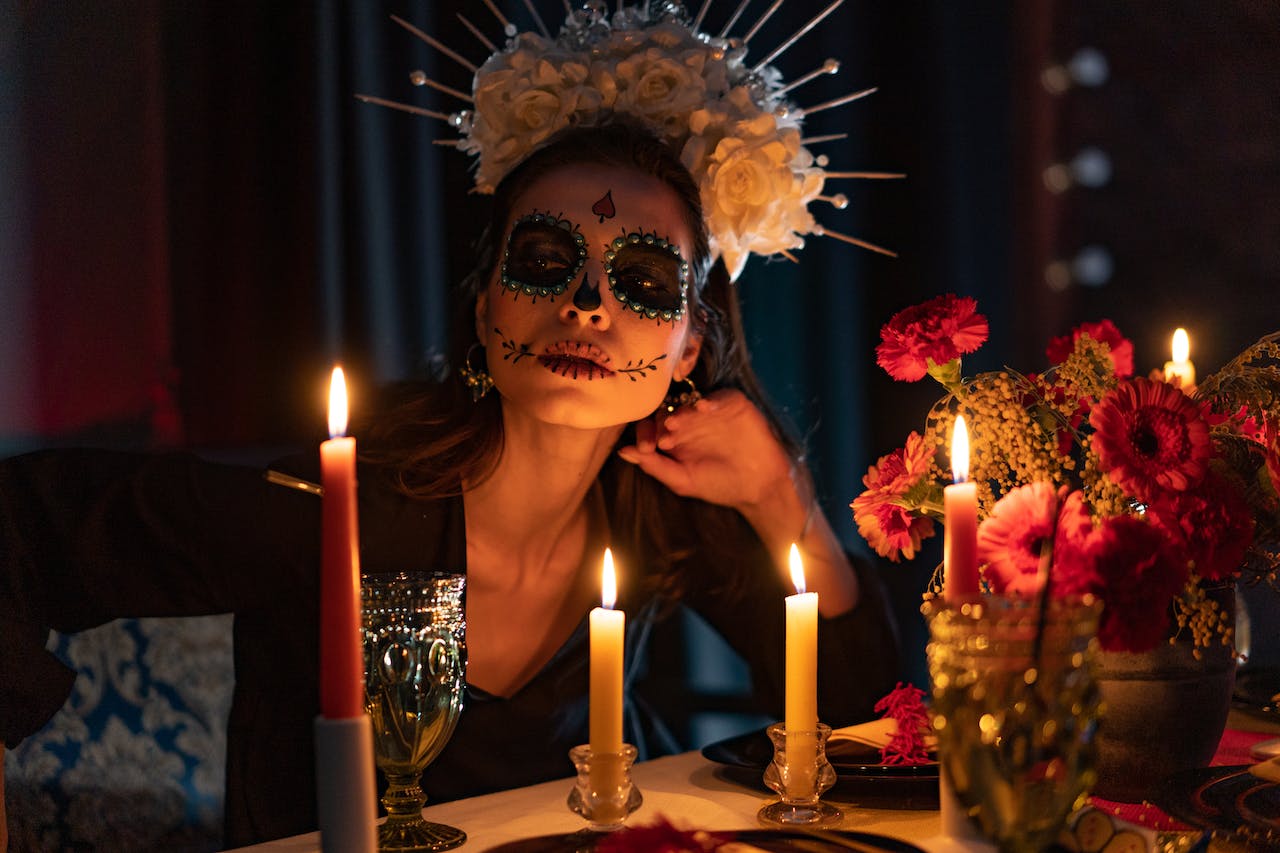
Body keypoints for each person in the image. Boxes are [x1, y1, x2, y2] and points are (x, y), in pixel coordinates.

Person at [1, 5, 901, 848]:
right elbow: (25, 521)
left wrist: (787, 504)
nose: (588, 306)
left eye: (642, 281)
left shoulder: (658, 511)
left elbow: (868, 723)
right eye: (546, 262)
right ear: (483, 310)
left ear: (689, 346)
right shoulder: (337, 508)